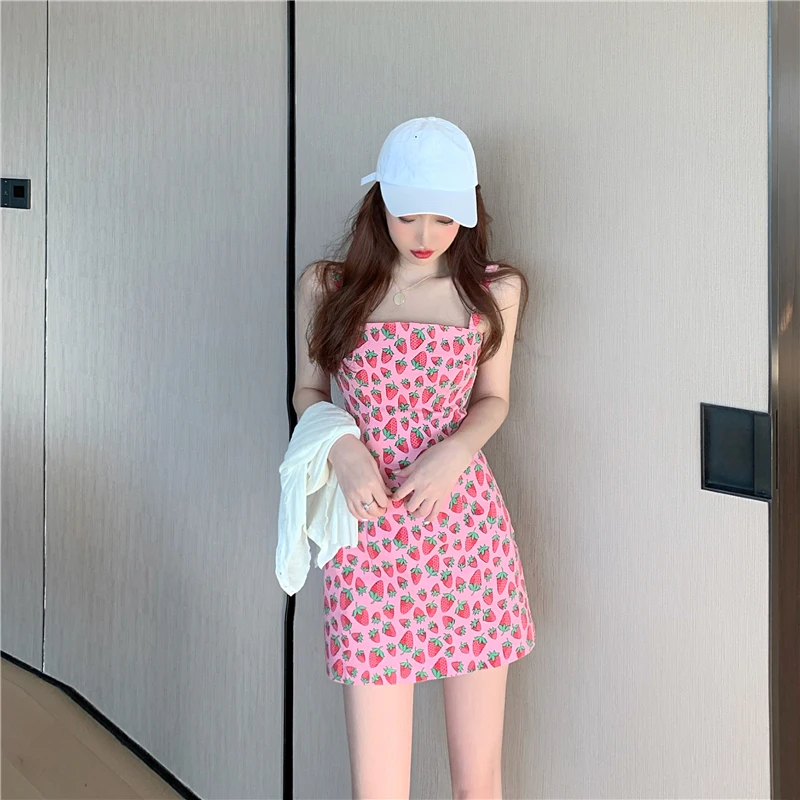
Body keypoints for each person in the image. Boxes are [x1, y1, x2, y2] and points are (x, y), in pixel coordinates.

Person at [292, 116, 536, 800]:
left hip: (465, 531)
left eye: (444, 218)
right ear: (380, 204)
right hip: (368, 534)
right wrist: (343, 448)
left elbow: (494, 399)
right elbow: (308, 390)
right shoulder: (328, 286)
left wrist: (456, 452)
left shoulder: (496, 291)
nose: (425, 234)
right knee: (378, 789)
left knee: (478, 783)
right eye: (407, 216)